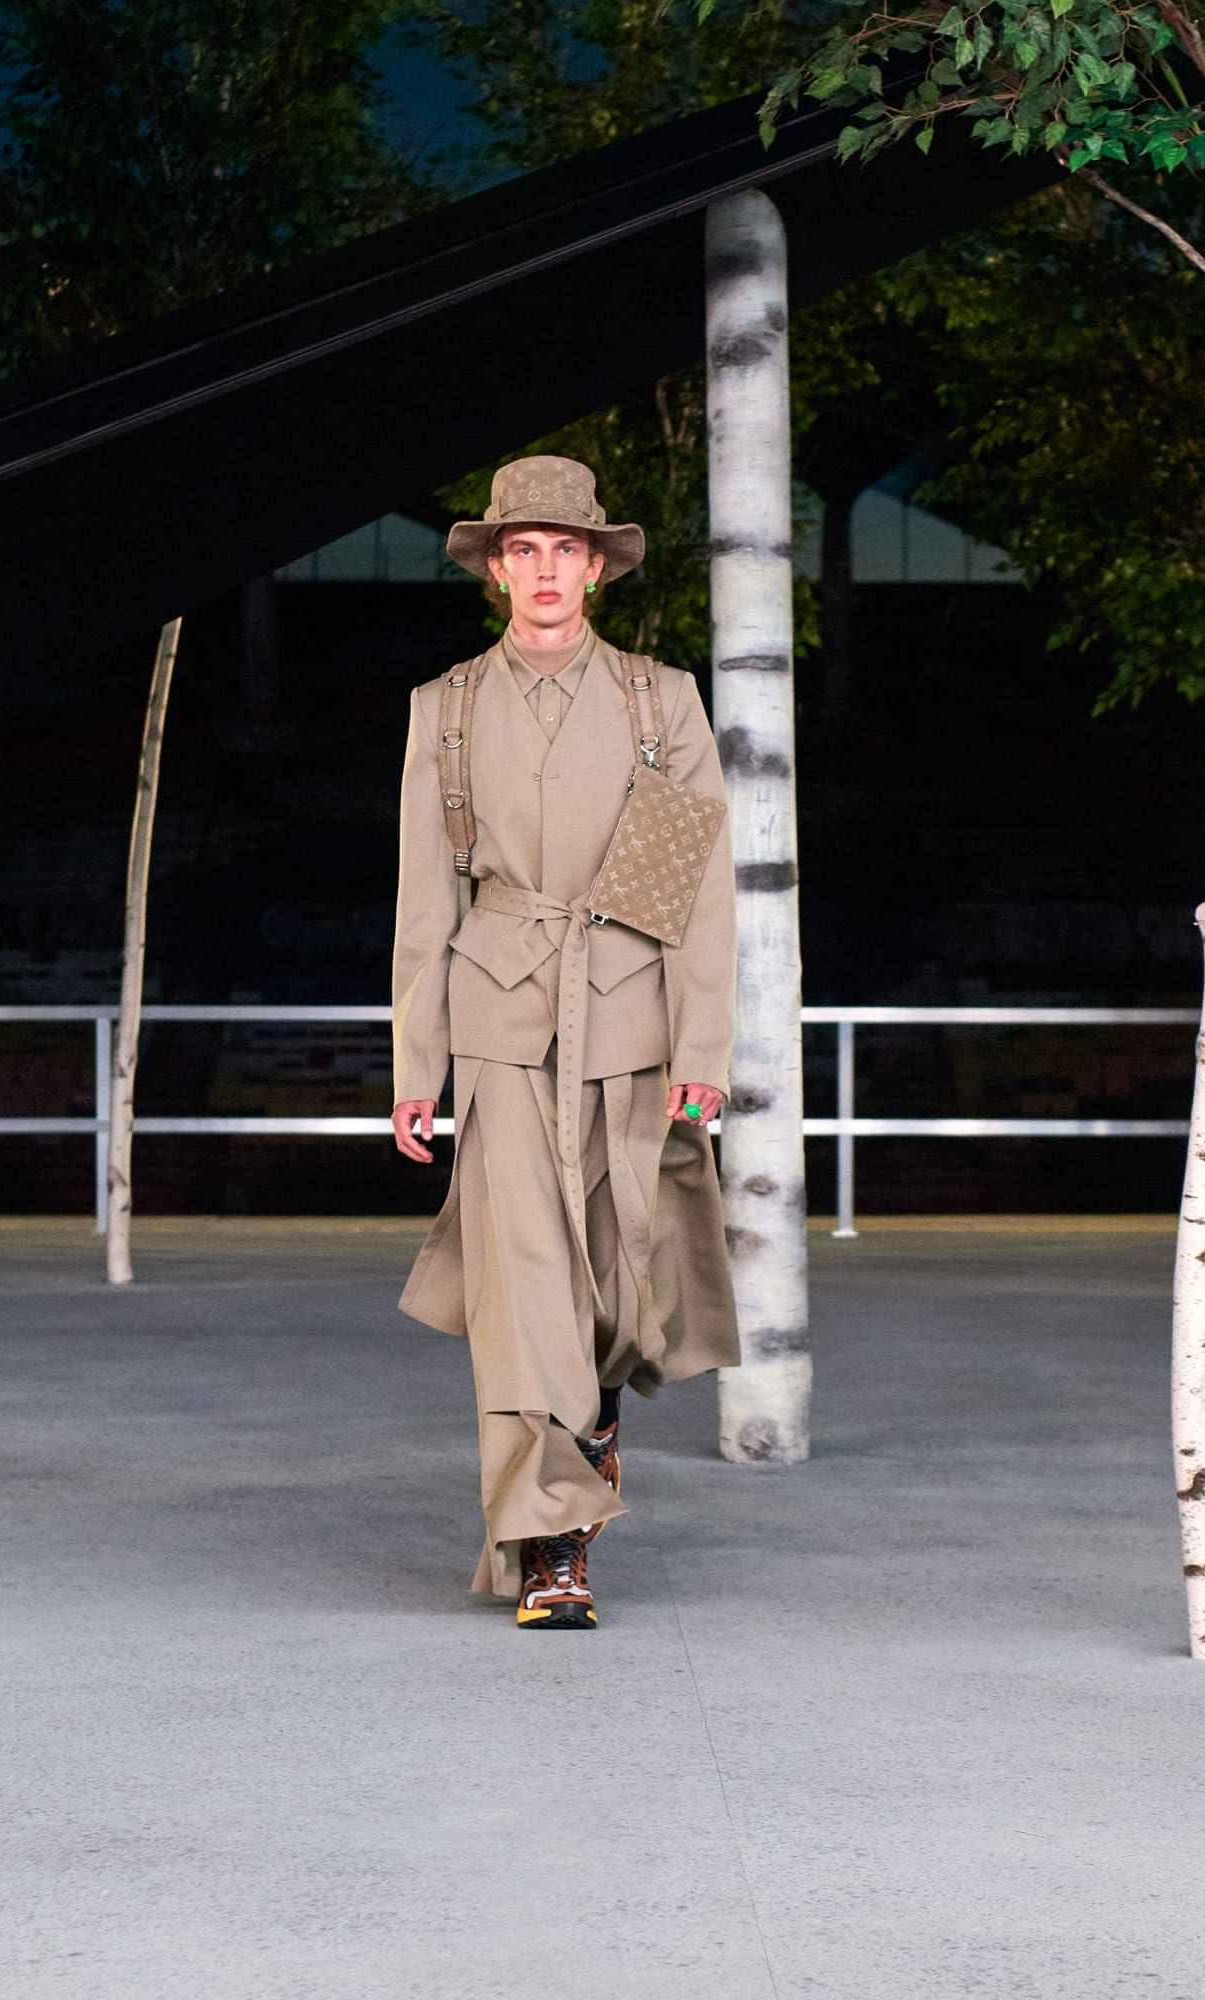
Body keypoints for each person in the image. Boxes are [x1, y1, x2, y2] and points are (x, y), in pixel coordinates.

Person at [390, 454, 739, 1630]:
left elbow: (695, 897)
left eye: (565, 548)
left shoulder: (658, 701)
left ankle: (587, 1442)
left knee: (612, 1291)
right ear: (495, 570)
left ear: (596, 566)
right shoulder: (443, 710)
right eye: (522, 548)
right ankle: (553, 1544)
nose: (544, 568)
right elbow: (424, 900)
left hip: (630, 1024)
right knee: (521, 1289)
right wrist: (416, 1067)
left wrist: (702, 1053)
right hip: (497, 1026)